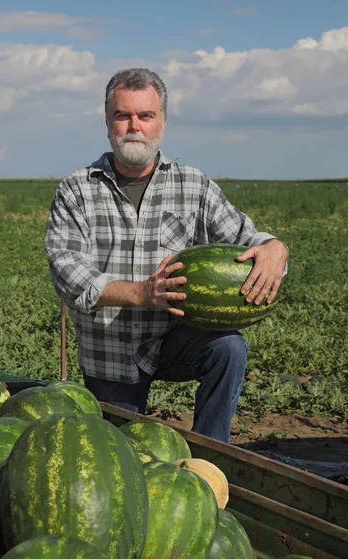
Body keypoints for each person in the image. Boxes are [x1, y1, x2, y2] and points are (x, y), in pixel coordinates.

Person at [45, 67, 289, 443]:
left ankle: (211, 455)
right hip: (109, 352)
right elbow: (67, 270)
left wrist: (275, 247)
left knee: (228, 348)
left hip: (173, 340)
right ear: (108, 121)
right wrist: (141, 293)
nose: (134, 126)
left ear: (162, 122)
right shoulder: (77, 189)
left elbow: (244, 236)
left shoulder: (193, 184)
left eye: (145, 115)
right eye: (123, 115)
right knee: (120, 457)